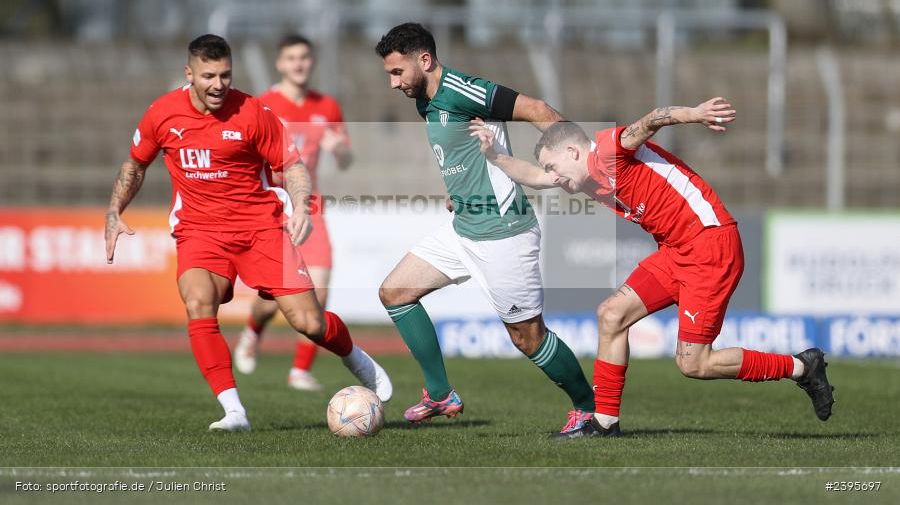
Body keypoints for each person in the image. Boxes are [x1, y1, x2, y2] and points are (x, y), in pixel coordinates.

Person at [470, 98, 835, 437]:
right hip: (677, 251)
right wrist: (494, 154)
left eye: (553, 165)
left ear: (572, 151)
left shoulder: (608, 152)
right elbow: (534, 176)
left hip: (710, 246)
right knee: (612, 315)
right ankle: (605, 421)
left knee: (694, 364)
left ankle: (802, 367)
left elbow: (650, 121)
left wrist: (694, 113)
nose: (553, 175)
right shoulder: (578, 176)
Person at [104, 34, 391, 432]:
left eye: (225, 75)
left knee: (309, 323)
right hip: (200, 232)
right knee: (198, 301)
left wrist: (302, 205)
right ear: (190, 74)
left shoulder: (253, 112)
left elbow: (291, 166)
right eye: (208, 76)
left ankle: (354, 356)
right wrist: (115, 211)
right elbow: (135, 166)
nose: (218, 84)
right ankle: (234, 411)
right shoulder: (162, 113)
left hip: (262, 229)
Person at [375, 22, 596, 438]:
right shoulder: (424, 100)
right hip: (464, 227)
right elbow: (463, 152)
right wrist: (460, 190)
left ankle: (590, 409)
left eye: (397, 72)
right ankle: (440, 394)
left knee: (528, 338)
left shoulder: (463, 88)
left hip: (504, 231)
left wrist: (580, 164)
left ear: (425, 60)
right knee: (395, 293)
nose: (393, 83)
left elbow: (539, 111)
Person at [233, 35, 353, 391]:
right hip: (272, 209)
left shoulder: (327, 106)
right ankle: (253, 332)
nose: (299, 64)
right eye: (291, 58)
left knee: (319, 292)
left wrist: (340, 150)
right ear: (280, 64)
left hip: (311, 207)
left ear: (312, 62)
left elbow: (346, 160)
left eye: (304, 57)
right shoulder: (263, 104)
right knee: (272, 303)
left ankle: (299, 370)